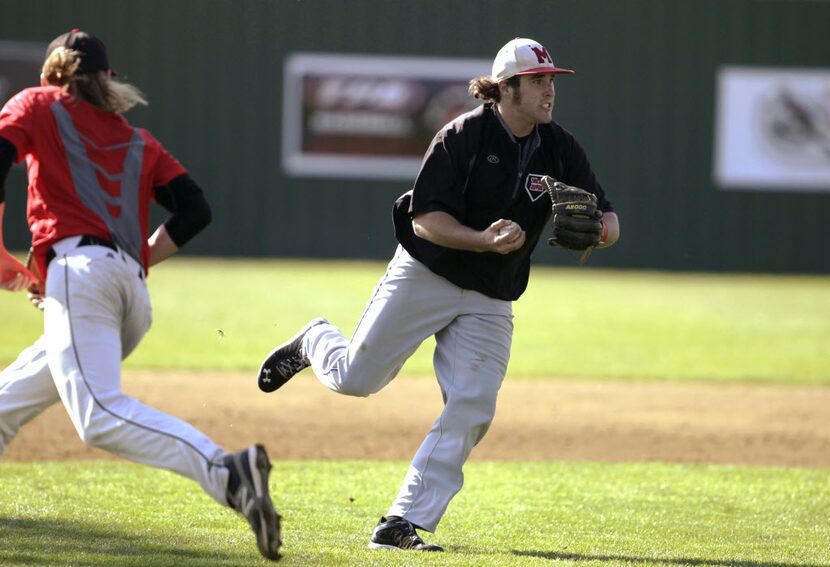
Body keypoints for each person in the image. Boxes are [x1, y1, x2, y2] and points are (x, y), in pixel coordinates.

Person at [256, 37, 620, 552]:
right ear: (506, 88)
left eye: (552, 81)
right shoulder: (463, 137)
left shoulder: (560, 148)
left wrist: (602, 231)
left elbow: (608, 216)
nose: (549, 90)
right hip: (428, 272)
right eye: (538, 80)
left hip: (492, 294)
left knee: (473, 406)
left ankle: (401, 522)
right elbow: (425, 220)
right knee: (357, 379)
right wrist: (481, 239)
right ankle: (316, 340)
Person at [0, 29, 281, 561]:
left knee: (98, 414)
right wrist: (130, 259)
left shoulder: (38, 103)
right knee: (8, 400)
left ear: (53, 72)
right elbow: (196, 210)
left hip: (82, 276)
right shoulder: (138, 140)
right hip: (129, 289)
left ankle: (228, 472)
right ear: (108, 80)